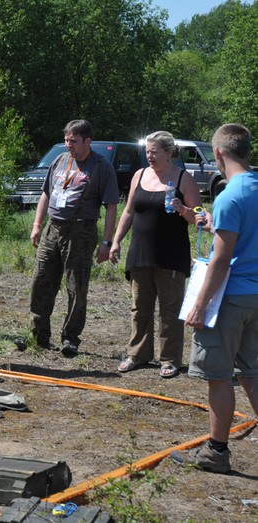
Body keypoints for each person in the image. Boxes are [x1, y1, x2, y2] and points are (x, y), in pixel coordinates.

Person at [170, 123, 258, 474]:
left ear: (219, 153)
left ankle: (216, 452)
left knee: (219, 376)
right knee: (252, 373)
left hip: (229, 299)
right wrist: (212, 224)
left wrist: (200, 305)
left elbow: (221, 260)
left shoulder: (230, 195)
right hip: (254, 296)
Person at [109, 131, 203, 378]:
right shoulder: (139, 175)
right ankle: (137, 354)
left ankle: (170, 359)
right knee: (139, 307)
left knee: (170, 310)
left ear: (169, 153)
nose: (149, 156)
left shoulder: (184, 179)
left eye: (154, 151)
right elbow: (128, 211)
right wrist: (116, 241)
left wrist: (183, 209)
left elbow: (199, 218)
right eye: (147, 151)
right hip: (141, 253)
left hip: (171, 255)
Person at [29, 119, 119, 357]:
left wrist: (107, 242)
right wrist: (37, 225)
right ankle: (38, 336)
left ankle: (70, 338)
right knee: (41, 280)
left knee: (76, 287)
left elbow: (111, 206)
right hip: (52, 228)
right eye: (66, 140)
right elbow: (46, 194)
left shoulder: (101, 167)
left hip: (81, 232)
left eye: (74, 141)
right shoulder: (59, 161)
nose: (69, 145)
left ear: (88, 141)